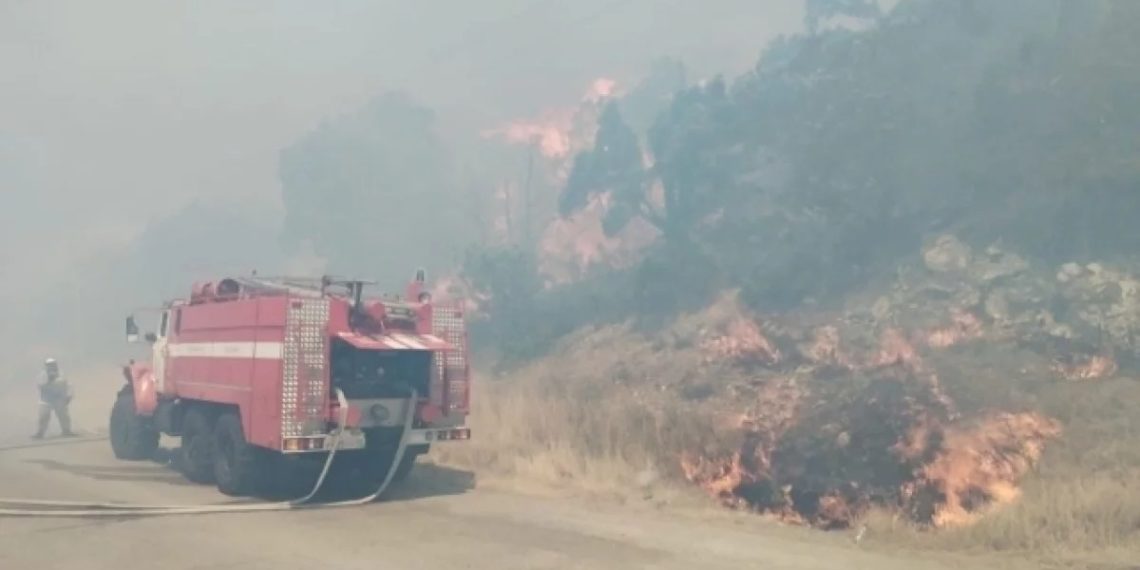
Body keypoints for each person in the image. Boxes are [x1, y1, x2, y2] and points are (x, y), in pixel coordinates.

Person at [33, 358, 75, 439]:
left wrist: (69, 396)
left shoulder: (62, 373)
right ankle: (40, 433)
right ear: (46, 366)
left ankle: (66, 431)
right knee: (43, 416)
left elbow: (69, 385)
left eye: (52, 364)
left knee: (63, 415)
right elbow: (39, 385)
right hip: (46, 400)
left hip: (59, 399)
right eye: (49, 365)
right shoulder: (42, 375)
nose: (51, 366)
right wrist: (49, 379)